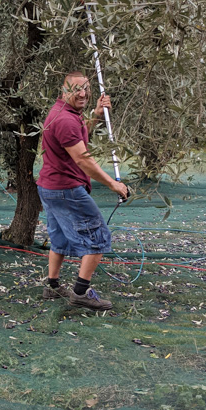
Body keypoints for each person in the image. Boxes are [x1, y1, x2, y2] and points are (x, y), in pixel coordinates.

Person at [37, 71, 128, 311]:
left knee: (60, 239)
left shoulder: (63, 113)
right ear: (63, 90)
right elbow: (83, 159)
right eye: (76, 88)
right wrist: (113, 184)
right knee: (98, 238)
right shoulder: (66, 119)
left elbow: (77, 138)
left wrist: (96, 116)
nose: (83, 93)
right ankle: (80, 293)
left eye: (86, 88)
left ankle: (53, 286)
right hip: (66, 189)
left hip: (49, 188)